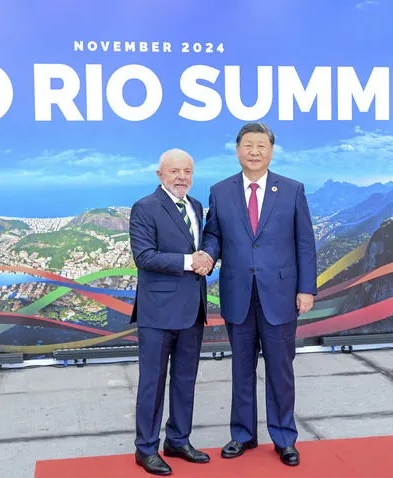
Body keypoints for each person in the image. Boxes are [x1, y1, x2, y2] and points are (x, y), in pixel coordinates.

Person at [198, 122, 317, 467]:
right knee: (241, 368)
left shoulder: (292, 190)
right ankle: (242, 434)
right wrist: (208, 255)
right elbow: (214, 235)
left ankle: (284, 438)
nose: (254, 151)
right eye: (248, 145)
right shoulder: (220, 191)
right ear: (237, 150)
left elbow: (305, 243)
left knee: (280, 369)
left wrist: (306, 288)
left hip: (280, 295)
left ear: (271, 151)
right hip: (238, 293)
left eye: (261, 146)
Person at [129, 148, 213, 476]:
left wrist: (205, 258)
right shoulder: (145, 207)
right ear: (160, 175)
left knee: (185, 379)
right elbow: (144, 256)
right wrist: (190, 262)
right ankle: (146, 448)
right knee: (152, 382)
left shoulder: (196, 206)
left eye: (187, 171)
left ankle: (178, 440)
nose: (181, 177)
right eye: (175, 171)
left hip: (192, 309)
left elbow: (202, 248)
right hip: (157, 312)